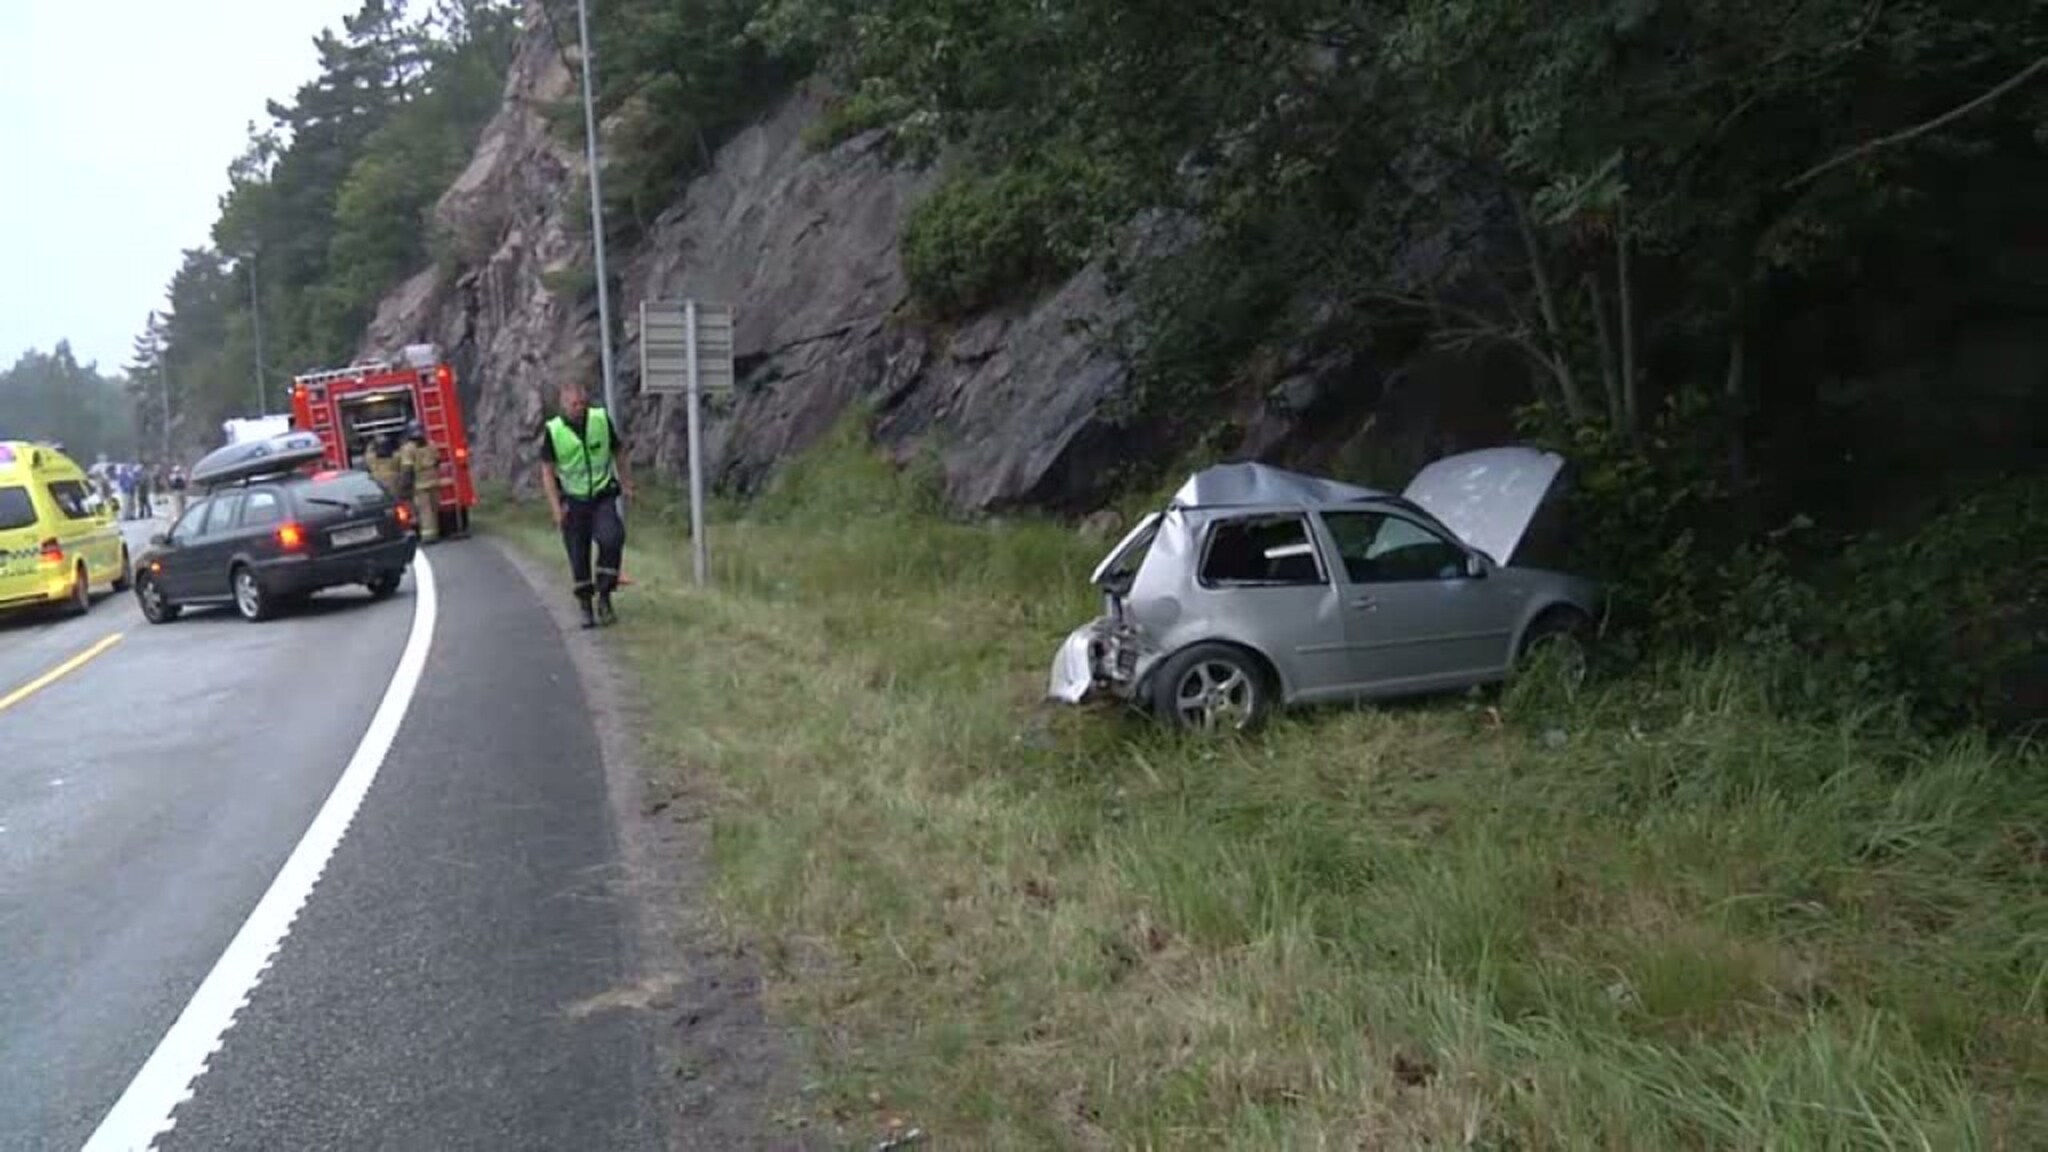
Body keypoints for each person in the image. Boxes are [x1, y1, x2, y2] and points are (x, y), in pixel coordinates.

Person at [539, 382, 633, 628]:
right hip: (573, 501)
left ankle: (604, 596)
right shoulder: (554, 430)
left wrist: (626, 482)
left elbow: (618, 451)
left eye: (582, 403)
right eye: (574, 404)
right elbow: (547, 471)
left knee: (612, 538)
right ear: (564, 405)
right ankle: (585, 607)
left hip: (602, 495)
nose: (579, 408)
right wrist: (555, 509)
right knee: (578, 556)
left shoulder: (600, 420)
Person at [398, 421, 441, 543]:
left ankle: (429, 536)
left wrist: (404, 488)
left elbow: (407, 470)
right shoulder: (432, 444)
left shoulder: (408, 449)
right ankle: (436, 532)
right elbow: (438, 461)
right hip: (434, 482)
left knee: (425, 511)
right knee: (434, 509)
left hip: (420, 485)